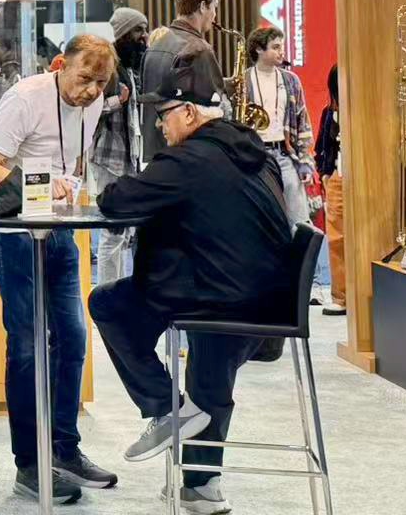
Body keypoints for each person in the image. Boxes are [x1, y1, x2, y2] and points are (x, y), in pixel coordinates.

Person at [88, 75, 295, 515]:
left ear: (188, 112)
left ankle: (165, 408)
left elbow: (116, 200)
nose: (159, 125)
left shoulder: (189, 160)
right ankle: (202, 486)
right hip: (271, 306)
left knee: (108, 304)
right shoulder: (255, 153)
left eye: (163, 115)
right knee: (209, 355)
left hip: (222, 301)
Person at [0, 34, 120, 502]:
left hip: (58, 229)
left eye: (101, 83)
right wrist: (38, 185)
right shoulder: (24, 98)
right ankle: (29, 464)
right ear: (61, 65)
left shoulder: (94, 102)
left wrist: (66, 187)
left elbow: (74, 158)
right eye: (85, 78)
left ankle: (64, 450)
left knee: (73, 337)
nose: (91, 91)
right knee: (26, 341)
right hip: (12, 234)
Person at [139, 0, 227, 166]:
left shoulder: (154, 47)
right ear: (202, 6)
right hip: (187, 156)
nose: (214, 15)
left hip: (154, 154)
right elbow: (211, 109)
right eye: (214, 7)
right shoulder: (199, 49)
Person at [92, 7, 149, 287]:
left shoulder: (127, 66)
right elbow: (87, 107)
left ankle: (117, 291)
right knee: (112, 231)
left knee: (124, 232)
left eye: (145, 29)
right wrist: (118, 102)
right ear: (124, 33)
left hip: (128, 156)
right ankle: (106, 293)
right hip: (109, 158)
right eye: (138, 29)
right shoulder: (107, 66)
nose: (144, 35)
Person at [241, 25, 315, 227]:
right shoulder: (243, 80)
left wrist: (305, 161)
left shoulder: (291, 80)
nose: (281, 52)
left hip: (284, 153)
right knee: (259, 220)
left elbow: (302, 122)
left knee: (300, 221)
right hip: (255, 156)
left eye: (282, 46)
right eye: (275, 47)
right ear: (258, 49)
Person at [315, 65, 346, 316]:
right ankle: (341, 297)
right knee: (337, 239)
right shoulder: (329, 113)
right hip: (337, 178)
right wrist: (325, 175)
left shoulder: (364, 112)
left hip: (362, 178)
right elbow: (321, 148)